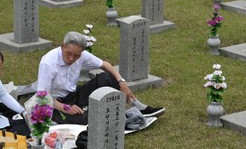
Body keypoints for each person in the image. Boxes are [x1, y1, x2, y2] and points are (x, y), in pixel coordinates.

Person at [35, 32, 164, 125]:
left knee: (108, 77)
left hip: (74, 94)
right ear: (62, 46)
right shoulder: (48, 63)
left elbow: (105, 65)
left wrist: (122, 82)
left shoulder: (82, 55)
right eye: (68, 54)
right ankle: (114, 115)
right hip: (56, 104)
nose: (71, 59)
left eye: (76, 56)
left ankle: (135, 106)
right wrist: (66, 108)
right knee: (87, 120)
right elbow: (42, 96)